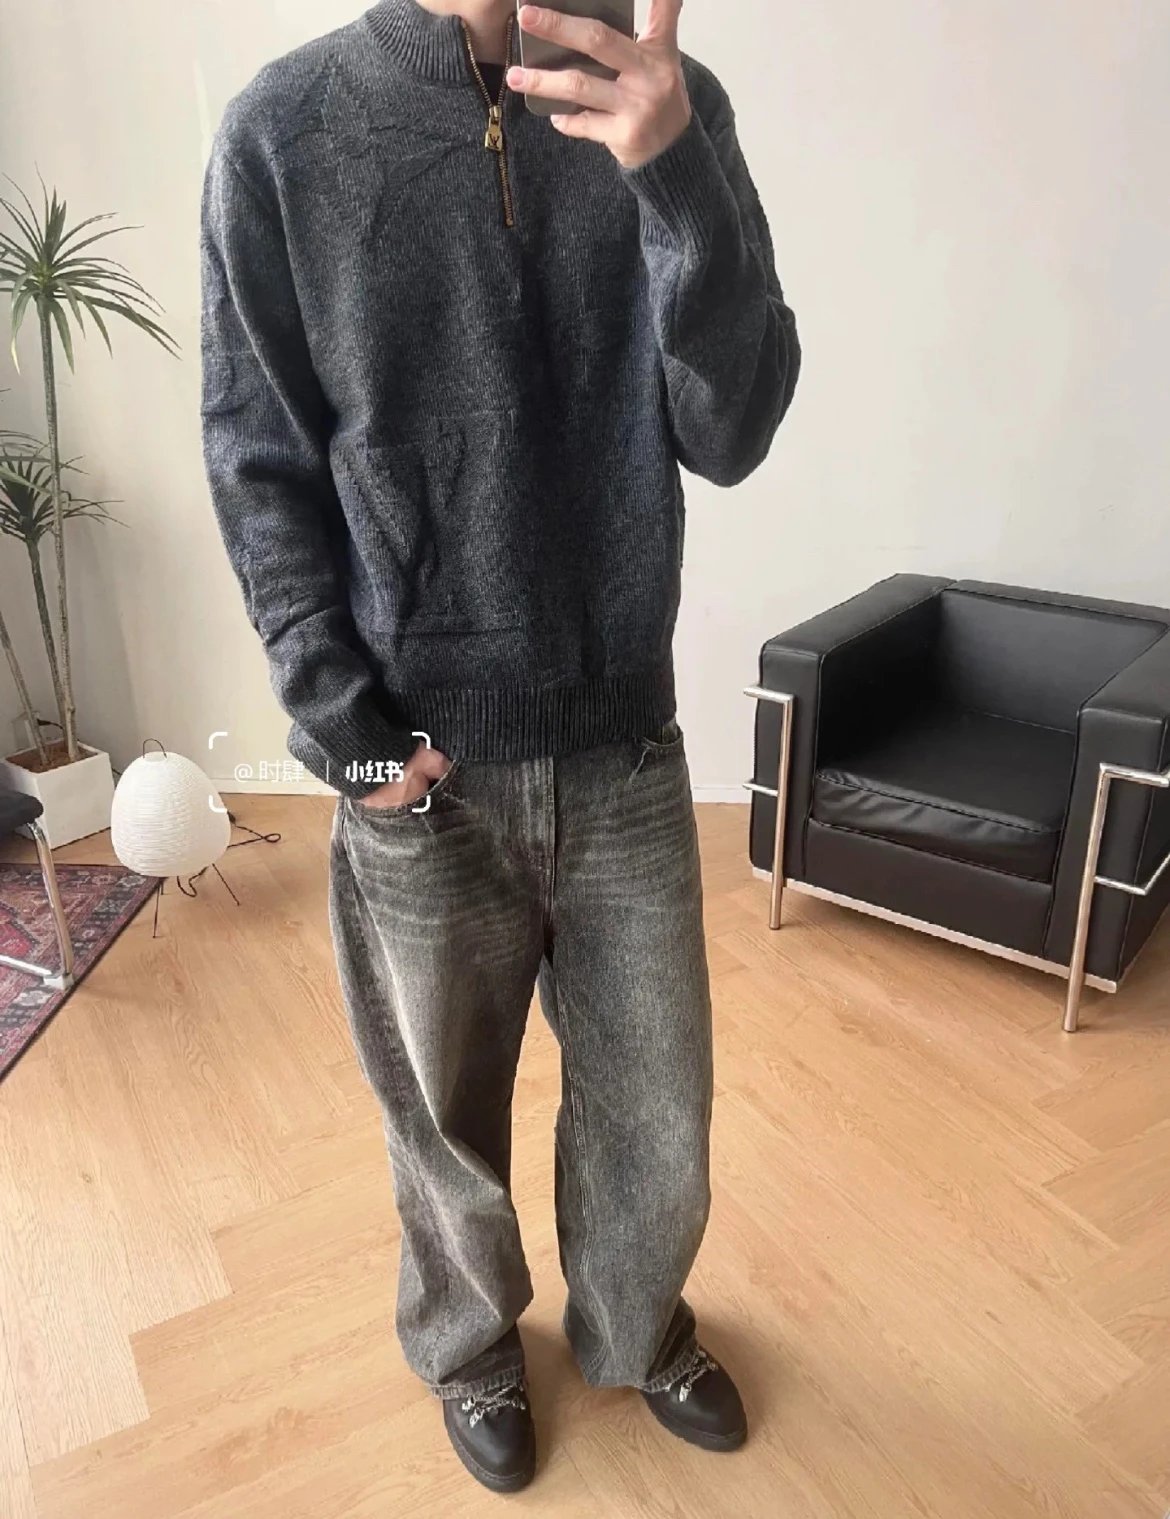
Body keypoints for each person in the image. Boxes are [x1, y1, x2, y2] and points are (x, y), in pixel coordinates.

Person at [200, 0, 799, 1493]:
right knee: (439, 1116)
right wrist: (345, 732)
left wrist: (674, 176)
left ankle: (637, 1328)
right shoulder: (286, 128)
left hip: (624, 742)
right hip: (417, 766)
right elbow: (258, 455)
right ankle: (469, 1349)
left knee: (658, 1108)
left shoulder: (666, 103)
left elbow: (731, 429)